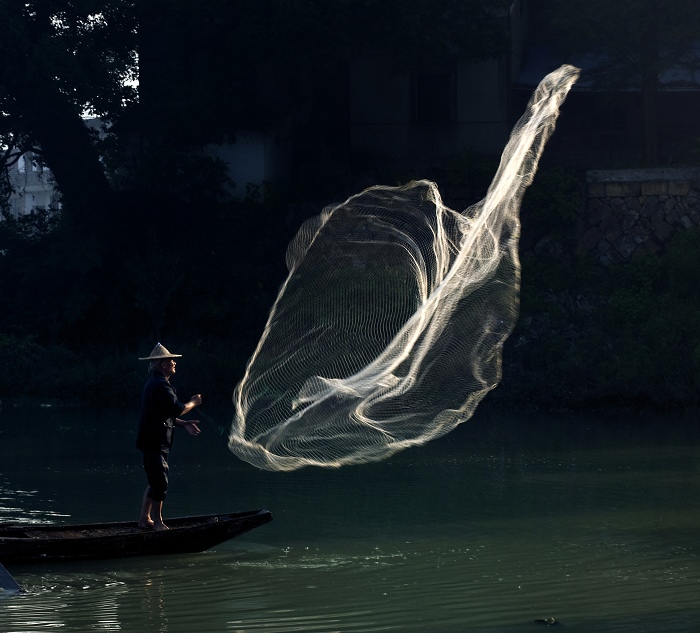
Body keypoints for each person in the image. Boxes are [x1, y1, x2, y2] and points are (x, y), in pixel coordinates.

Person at [136, 343, 203, 530]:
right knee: (160, 482)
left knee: (155, 481)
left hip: (154, 442)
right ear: (163, 364)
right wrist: (193, 402)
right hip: (154, 442)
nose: (174, 363)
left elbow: (163, 415)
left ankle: (144, 520)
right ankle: (157, 522)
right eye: (171, 360)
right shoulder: (159, 385)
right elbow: (178, 409)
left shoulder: (157, 383)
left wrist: (184, 424)